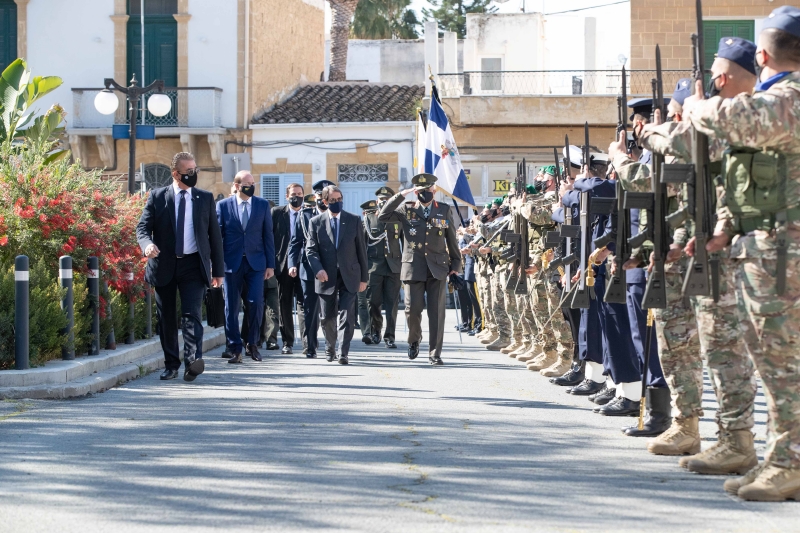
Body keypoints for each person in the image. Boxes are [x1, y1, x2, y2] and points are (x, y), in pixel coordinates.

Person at [675, 10, 800, 500]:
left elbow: (736, 119)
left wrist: (696, 107)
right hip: (765, 249)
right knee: (775, 363)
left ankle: (789, 463)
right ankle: (780, 458)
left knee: (784, 364)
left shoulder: (787, 99)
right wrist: (725, 229)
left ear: (763, 55)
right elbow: (758, 177)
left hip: (783, 253)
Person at [136, 151, 224, 382]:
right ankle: (171, 365)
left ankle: (192, 362)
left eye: (196, 170)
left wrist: (219, 272)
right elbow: (142, 228)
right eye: (189, 171)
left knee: (192, 315)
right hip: (164, 263)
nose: (194, 174)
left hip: (193, 265)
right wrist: (147, 246)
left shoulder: (204, 198)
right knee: (166, 317)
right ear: (175, 174)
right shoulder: (157, 197)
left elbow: (214, 237)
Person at [377, 173, 462, 365]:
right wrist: (401, 195)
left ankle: (435, 353)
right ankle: (414, 340)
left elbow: (452, 239)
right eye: (421, 191)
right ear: (416, 192)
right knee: (412, 310)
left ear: (434, 190)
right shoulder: (406, 209)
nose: (425, 193)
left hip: (437, 268)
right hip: (413, 267)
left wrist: (455, 266)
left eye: (428, 190)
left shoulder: (444, 210)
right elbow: (383, 216)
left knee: (437, 313)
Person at [215, 170, 275, 363]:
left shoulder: (262, 205)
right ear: (238, 185)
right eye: (248, 183)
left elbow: (268, 236)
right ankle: (235, 348)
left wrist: (270, 265)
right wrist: (215, 266)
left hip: (256, 264)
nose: (252, 185)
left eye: (253, 182)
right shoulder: (223, 206)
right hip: (231, 264)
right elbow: (217, 238)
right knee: (230, 308)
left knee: (256, 303)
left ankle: (253, 343)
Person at [305, 185, 368, 365]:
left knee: (346, 314)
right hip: (326, 276)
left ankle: (343, 352)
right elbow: (311, 250)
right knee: (327, 317)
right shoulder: (316, 222)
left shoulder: (354, 220)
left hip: (350, 275)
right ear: (325, 202)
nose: (337, 203)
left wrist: (364, 278)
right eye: (333, 201)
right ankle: (330, 347)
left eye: (339, 200)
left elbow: (361, 251)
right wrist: (318, 270)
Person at [288, 180, 334, 358]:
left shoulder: (335, 215)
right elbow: (296, 242)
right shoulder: (305, 215)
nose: (322, 199)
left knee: (329, 310)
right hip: (308, 270)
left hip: (330, 269)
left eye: (325, 196)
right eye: (319, 196)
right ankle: (310, 347)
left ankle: (330, 345)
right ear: (315, 197)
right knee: (309, 309)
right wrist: (292, 263)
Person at [362, 186, 403, 348]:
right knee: (373, 302)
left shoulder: (399, 219)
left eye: (387, 200)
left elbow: (406, 243)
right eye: (381, 200)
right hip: (374, 267)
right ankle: (376, 330)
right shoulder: (369, 219)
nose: (383, 202)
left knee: (392, 304)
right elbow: (362, 245)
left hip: (394, 267)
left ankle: (390, 336)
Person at [273, 183, 306, 355]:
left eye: (300, 194)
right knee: (284, 303)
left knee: (304, 303)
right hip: (283, 265)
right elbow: (269, 239)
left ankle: (307, 343)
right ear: (287, 196)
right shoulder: (277, 213)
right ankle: (288, 342)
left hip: (304, 265)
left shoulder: (309, 213)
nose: (297, 197)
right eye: (293, 194)